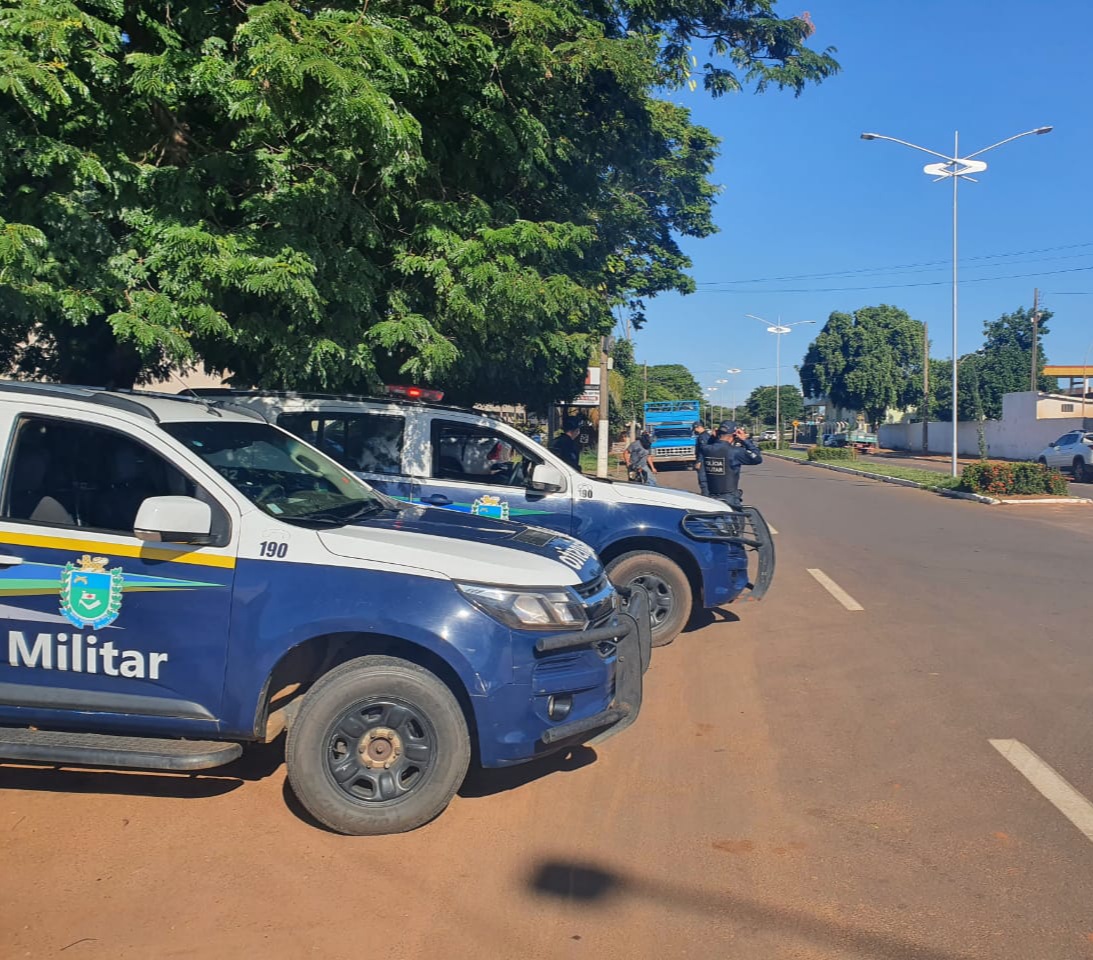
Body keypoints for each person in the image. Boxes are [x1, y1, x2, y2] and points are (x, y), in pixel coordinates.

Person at [699, 421, 763, 506]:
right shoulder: (735, 451)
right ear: (734, 435)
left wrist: (713, 437)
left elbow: (709, 444)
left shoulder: (706, 449)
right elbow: (757, 458)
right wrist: (745, 440)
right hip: (729, 497)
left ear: (718, 433)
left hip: (711, 494)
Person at [692, 421, 711, 496]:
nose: (695, 431)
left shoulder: (703, 436)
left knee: (703, 480)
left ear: (698, 427)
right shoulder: (706, 435)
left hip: (703, 460)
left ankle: (706, 495)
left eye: (695, 429)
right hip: (705, 459)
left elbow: (703, 450)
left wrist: (699, 461)